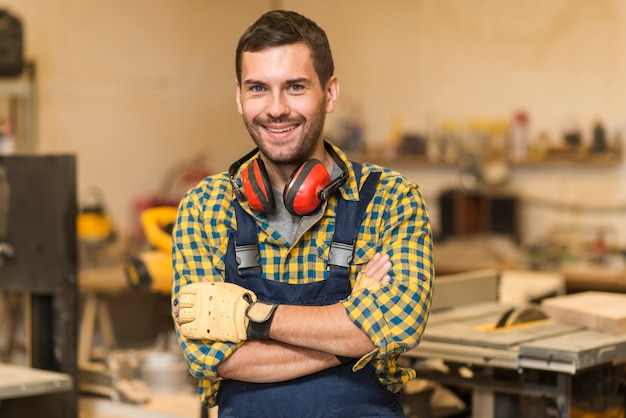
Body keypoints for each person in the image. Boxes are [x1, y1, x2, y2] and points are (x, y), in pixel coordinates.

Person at [171, 9, 434, 417]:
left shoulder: (391, 199)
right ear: (239, 96)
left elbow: (399, 325)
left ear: (329, 93)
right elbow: (209, 357)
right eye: (258, 88)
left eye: (295, 87)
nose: (276, 108)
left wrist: (253, 319)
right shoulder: (204, 207)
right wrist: (352, 334)